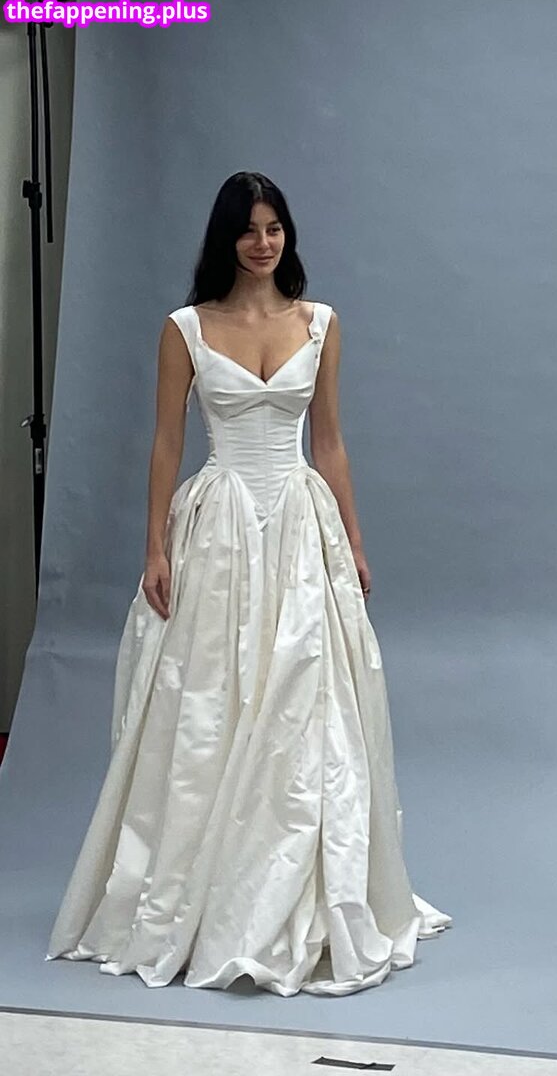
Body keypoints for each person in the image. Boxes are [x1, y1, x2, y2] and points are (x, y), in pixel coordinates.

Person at [44, 170, 452, 996]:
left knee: (308, 706)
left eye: (274, 228)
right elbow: (166, 444)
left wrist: (354, 541)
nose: (263, 243)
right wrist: (154, 550)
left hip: (301, 523)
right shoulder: (186, 329)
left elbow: (329, 442)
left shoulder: (320, 322)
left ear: (286, 235)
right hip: (220, 528)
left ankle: (297, 888)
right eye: (248, 229)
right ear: (225, 238)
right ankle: (203, 892)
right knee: (207, 707)